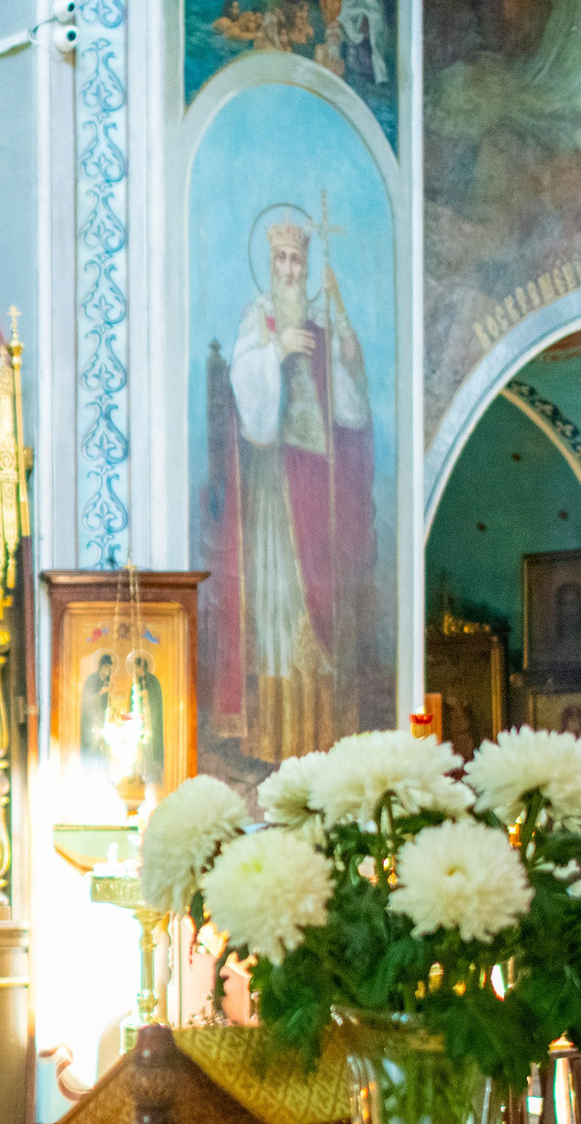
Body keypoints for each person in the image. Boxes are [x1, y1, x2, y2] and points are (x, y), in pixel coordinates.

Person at [224, 216, 372, 761]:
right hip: (275, 480)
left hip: (320, 479)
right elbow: (246, 391)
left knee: (325, 589)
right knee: (280, 598)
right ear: (271, 265)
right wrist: (276, 351)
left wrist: (350, 363)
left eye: (297, 262)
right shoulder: (258, 319)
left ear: (306, 269)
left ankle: (326, 740)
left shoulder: (321, 325)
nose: (289, 270)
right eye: (282, 260)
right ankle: (279, 741)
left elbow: (351, 413)